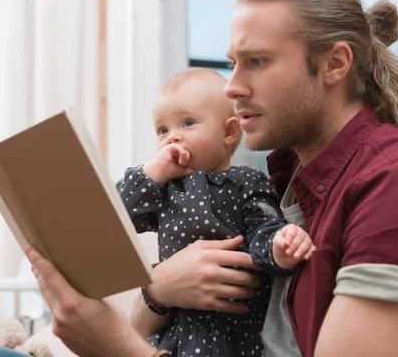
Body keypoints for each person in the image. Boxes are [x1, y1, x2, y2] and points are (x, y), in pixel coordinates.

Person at [0, 0, 398, 357]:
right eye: (233, 62)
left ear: (336, 63)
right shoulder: (284, 183)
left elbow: (131, 340)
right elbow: (149, 319)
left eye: (256, 61)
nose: (232, 86)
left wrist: (116, 348)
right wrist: (159, 290)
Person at [116, 67, 314, 355]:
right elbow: (118, 217)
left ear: (229, 132)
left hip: (233, 330)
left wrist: (280, 248)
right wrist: (155, 170)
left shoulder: (246, 182)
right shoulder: (164, 190)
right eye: (162, 129)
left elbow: (265, 228)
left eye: (187, 123)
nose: (172, 137)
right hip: (179, 330)